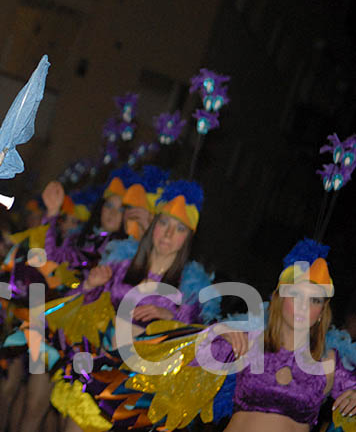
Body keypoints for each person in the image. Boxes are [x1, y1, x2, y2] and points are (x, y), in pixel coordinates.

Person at [123, 239, 356, 432]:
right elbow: (176, 360)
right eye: (296, 295)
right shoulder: (247, 343)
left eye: (314, 300)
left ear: (322, 312)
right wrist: (215, 332)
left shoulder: (330, 363)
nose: (304, 306)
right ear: (279, 300)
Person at [49, 180, 218, 432]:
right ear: (153, 226)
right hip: (96, 371)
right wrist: (90, 287)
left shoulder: (193, 289)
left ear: (189, 237)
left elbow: (200, 343)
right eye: (163, 223)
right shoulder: (121, 264)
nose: (168, 234)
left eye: (179, 228)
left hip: (134, 392)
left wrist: (170, 318)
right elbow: (84, 314)